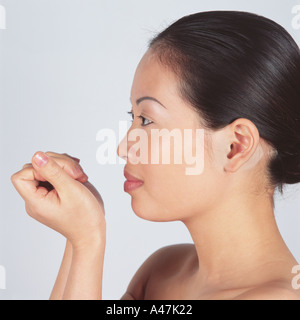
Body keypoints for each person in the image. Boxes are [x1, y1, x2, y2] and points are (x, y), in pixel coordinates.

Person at [11, 11, 300, 300]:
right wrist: (79, 236)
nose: (123, 148)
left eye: (147, 120)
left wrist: (88, 240)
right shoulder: (162, 272)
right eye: (132, 117)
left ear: (235, 146)